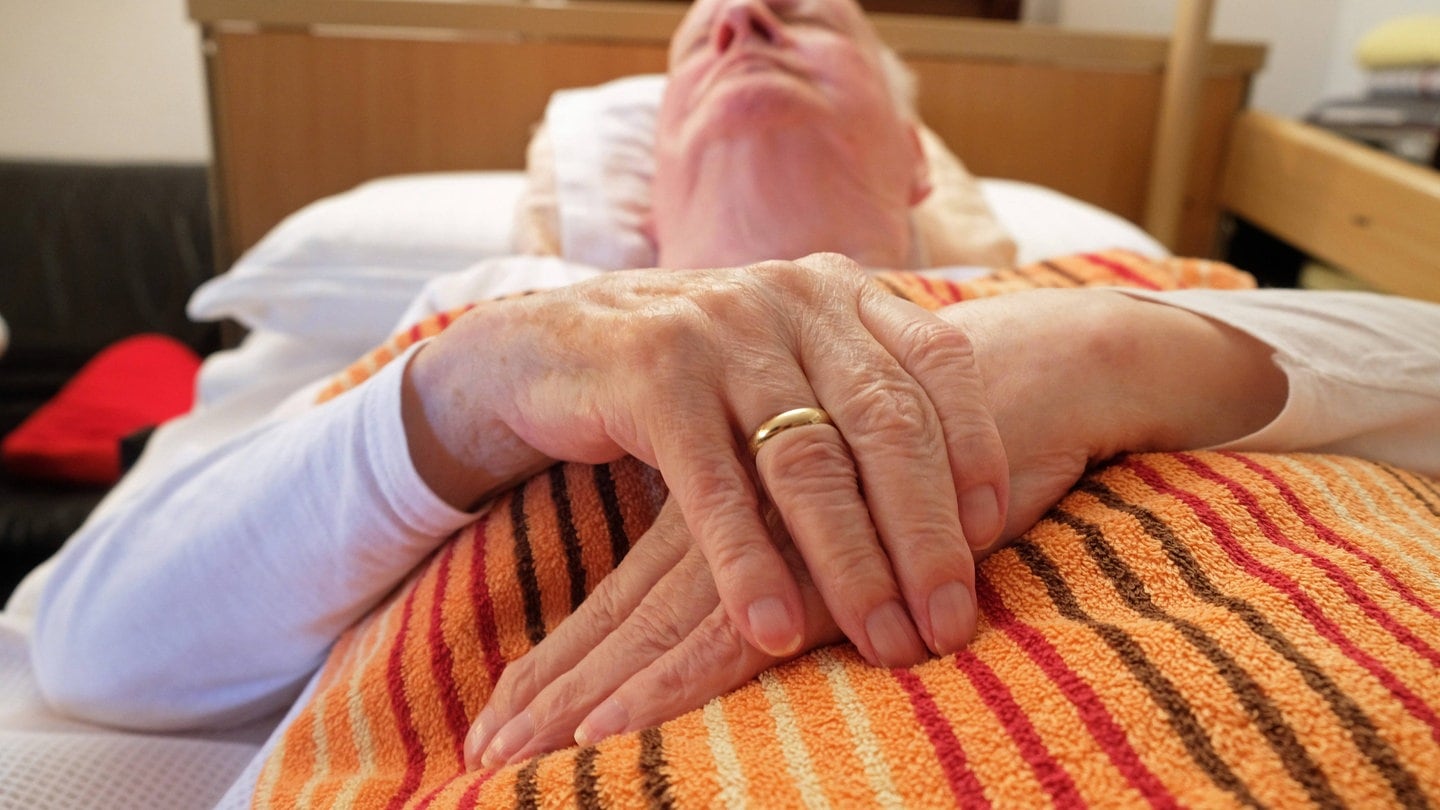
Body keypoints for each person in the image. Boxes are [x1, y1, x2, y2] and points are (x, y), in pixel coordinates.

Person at [12, 0, 1440, 802]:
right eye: (700, 44)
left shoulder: (1134, 280)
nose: (744, 14)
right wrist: (478, 387)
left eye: (807, 19)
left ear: (918, 166)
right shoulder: (473, 323)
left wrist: (1088, 355)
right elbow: (93, 650)